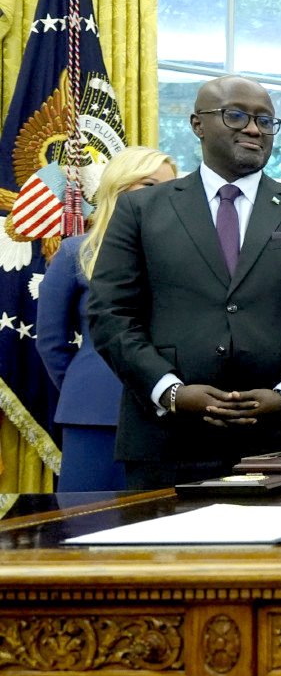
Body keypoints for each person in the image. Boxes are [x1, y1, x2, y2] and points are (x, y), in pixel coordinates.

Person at [88, 76, 281, 488]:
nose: (253, 129)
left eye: (265, 121)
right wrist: (171, 391)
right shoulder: (140, 210)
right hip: (168, 441)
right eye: (236, 115)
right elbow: (111, 314)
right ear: (197, 124)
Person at [37, 147, 176, 491]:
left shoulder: (184, 257)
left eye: (171, 187)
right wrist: (87, 385)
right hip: (95, 412)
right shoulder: (75, 252)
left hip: (170, 414)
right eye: (149, 184)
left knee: (163, 518)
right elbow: (51, 342)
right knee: (88, 515)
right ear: (119, 187)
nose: (162, 195)